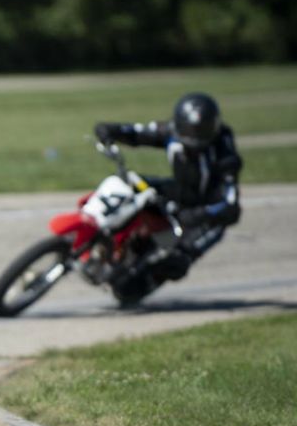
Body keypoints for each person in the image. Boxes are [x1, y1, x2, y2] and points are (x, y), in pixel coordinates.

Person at [93, 91, 243, 299]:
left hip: (208, 214)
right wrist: (111, 130)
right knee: (129, 184)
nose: (194, 138)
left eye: (201, 132)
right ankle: (102, 235)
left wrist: (196, 216)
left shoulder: (225, 155)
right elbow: (138, 133)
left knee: (177, 260)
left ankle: (150, 270)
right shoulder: (171, 132)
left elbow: (230, 207)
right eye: (190, 131)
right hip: (179, 192)